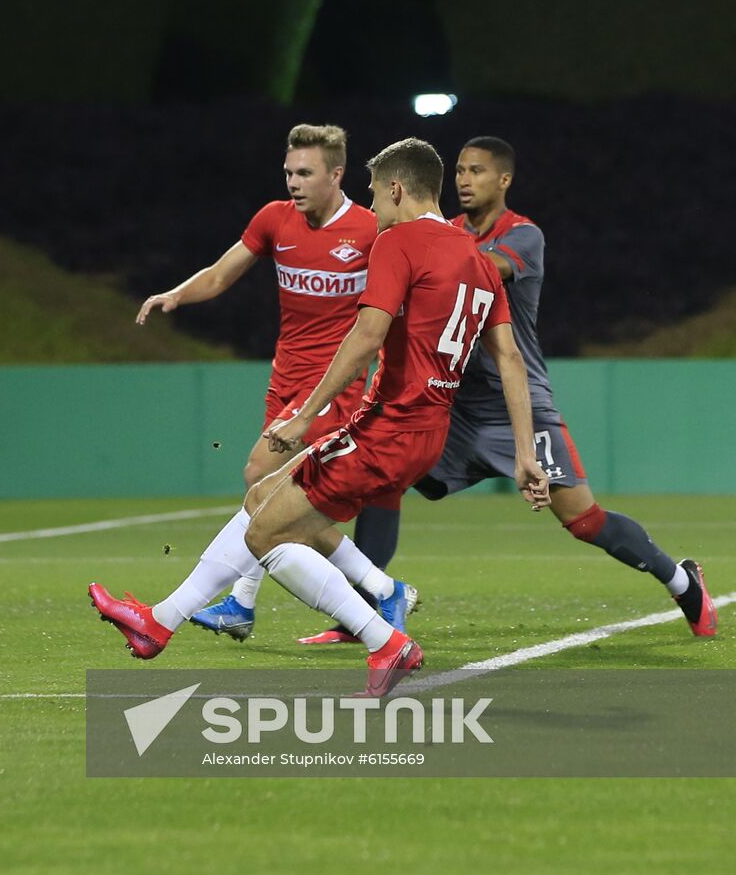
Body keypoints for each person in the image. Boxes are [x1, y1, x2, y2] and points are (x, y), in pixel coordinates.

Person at [91, 138, 551, 696]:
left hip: (388, 428)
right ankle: (157, 622)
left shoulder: (398, 243)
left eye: (376, 193)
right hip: (426, 433)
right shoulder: (477, 258)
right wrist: (526, 454)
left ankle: (385, 637)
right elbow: (510, 359)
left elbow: (366, 336)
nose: (372, 206)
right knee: (263, 498)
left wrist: (305, 415)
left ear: (398, 189)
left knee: (267, 535)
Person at [411, 137, 714, 634]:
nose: (464, 180)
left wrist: (419, 254)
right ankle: (366, 605)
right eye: (460, 171)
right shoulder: (446, 233)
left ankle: (682, 581)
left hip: (520, 407)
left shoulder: (523, 235)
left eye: (477, 171)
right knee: (386, 475)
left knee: (584, 521)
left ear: (504, 179)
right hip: (459, 408)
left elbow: (485, 270)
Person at [135, 123, 410, 642]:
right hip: (284, 380)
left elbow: (397, 301)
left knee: (260, 475)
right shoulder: (274, 220)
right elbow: (220, 274)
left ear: (336, 174)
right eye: (288, 172)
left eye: (305, 173)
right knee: (268, 497)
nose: (293, 182)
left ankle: (369, 593)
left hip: (335, 387)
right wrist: (176, 295)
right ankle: (366, 589)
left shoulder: (371, 230)